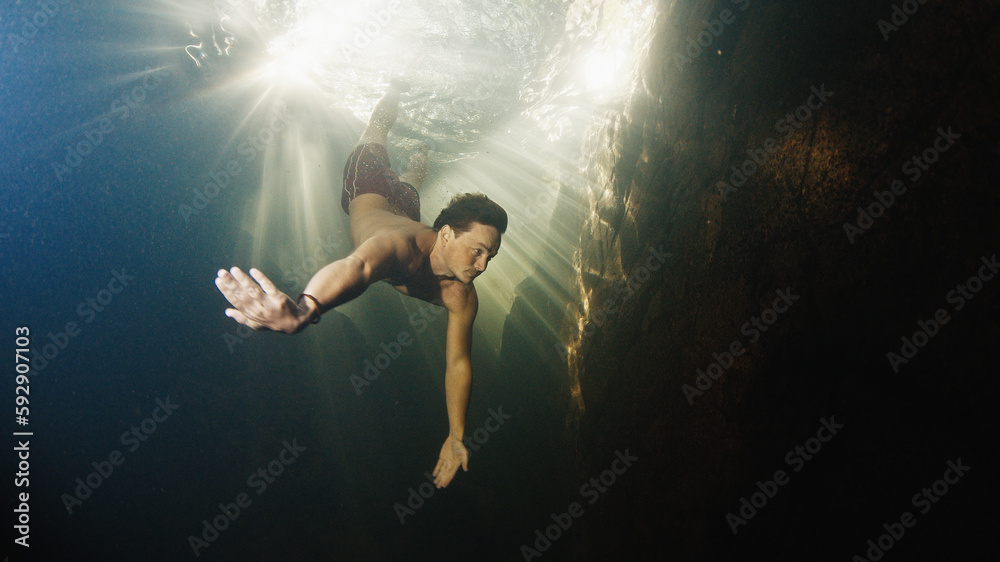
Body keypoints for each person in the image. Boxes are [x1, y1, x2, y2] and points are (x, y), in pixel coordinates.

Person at [215, 80, 507, 489]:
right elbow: (357, 267)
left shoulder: (461, 295)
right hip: (365, 186)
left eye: (489, 257)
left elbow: (458, 362)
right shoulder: (400, 249)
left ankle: (422, 149)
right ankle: (396, 90)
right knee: (377, 133)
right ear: (445, 235)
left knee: (410, 184)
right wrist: (305, 309)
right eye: (477, 251)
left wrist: (456, 435)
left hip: (402, 208)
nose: (482, 265)